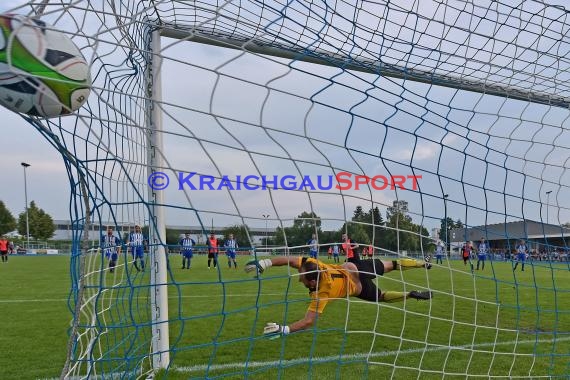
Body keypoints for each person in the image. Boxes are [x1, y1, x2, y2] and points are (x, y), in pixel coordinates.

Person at [244, 255, 433, 337]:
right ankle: (421, 263)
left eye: (301, 278)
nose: (299, 280)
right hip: (357, 268)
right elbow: (290, 260)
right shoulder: (314, 264)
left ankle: (409, 295)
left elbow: (308, 321)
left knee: (382, 296)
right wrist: (265, 263)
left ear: (311, 282)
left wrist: (283, 330)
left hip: (358, 288)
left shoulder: (321, 293)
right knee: (392, 265)